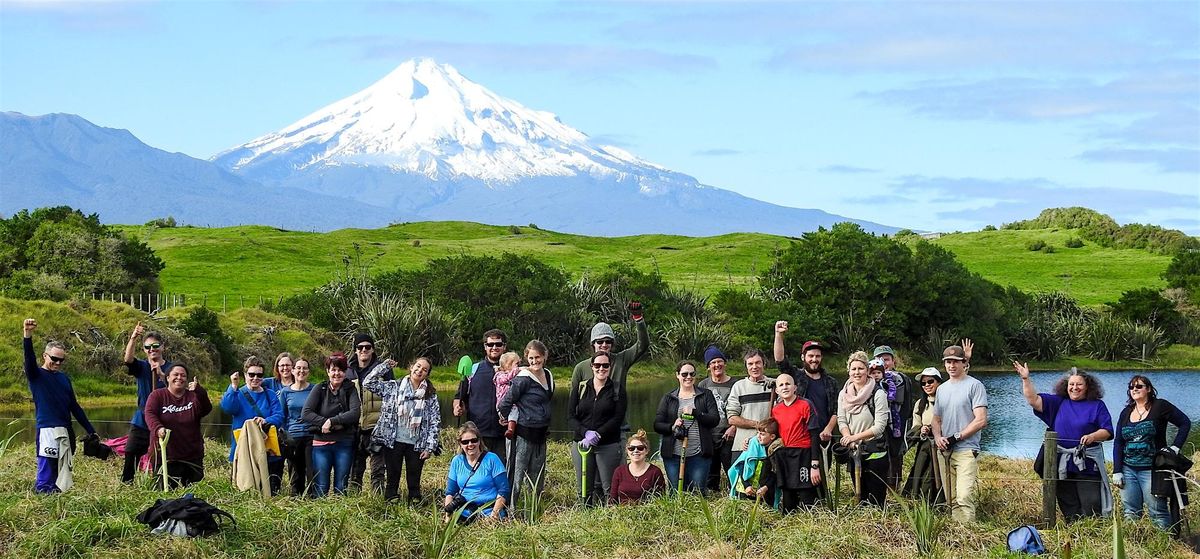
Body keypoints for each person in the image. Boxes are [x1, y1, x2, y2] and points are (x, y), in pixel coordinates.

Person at [1017, 362, 1114, 521]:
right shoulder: (1058, 402)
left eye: (1079, 384)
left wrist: (1093, 436)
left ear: (1088, 387)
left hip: (1087, 463)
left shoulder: (1097, 405)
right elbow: (1033, 400)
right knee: (1068, 503)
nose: (1075, 388)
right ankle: (1073, 530)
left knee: (1091, 502)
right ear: (1066, 386)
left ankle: (1092, 533)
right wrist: (1026, 379)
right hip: (1061, 463)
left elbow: (1108, 431)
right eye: (1072, 384)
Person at [21, 318, 97, 493]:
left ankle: (57, 499)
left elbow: (74, 406)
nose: (57, 363)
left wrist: (90, 429)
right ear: (45, 356)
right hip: (48, 429)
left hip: (66, 429)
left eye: (61, 360)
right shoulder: (36, 375)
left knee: (62, 470)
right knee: (46, 469)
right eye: (54, 359)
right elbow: (29, 359)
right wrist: (28, 335)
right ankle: (43, 499)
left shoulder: (64, 378)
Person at [1114, 374, 1191, 530]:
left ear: (1148, 389)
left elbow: (1184, 423)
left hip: (1152, 470)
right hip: (1128, 469)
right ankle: (1134, 545)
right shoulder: (1126, 412)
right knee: (1130, 511)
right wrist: (1117, 470)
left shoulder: (1160, 406)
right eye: (1131, 387)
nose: (1134, 389)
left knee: (1158, 511)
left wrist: (1175, 447)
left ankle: (1165, 544)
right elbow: (1118, 442)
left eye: (1139, 386)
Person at [363, 357, 442, 503]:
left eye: (425, 370)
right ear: (411, 367)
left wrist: (430, 447)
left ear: (427, 374)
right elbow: (368, 382)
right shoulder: (394, 387)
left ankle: (415, 502)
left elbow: (435, 421)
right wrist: (384, 367)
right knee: (393, 475)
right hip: (393, 440)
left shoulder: (429, 394)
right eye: (418, 366)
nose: (420, 371)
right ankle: (391, 500)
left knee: (414, 476)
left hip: (417, 442)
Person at [774, 322, 838, 500]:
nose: (814, 359)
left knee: (822, 472)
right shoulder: (796, 376)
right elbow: (780, 360)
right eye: (810, 356)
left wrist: (828, 429)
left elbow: (835, 410)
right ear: (803, 357)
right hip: (798, 438)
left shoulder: (831, 382)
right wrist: (779, 335)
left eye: (817, 356)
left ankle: (821, 504)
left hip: (822, 436)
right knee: (798, 476)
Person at [932, 345, 988, 523]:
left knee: (964, 496)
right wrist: (938, 437)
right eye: (948, 362)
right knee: (951, 497)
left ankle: (968, 534)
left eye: (956, 362)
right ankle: (958, 536)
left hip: (966, 449)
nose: (951, 366)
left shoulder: (975, 386)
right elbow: (936, 419)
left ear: (964, 363)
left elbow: (981, 420)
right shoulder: (941, 389)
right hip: (945, 451)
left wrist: (957, 436)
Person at [498, 340, 555, 510]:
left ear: (544, 357)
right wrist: (509, 419)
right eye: (531, 358)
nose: (534, 361)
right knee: (516, 475)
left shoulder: (548, 375)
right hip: (522, 434)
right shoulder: (523, 378)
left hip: (540, 434)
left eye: (537, 357)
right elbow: (504, 403)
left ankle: (534, 510)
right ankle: (512, 511)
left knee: (537, 476)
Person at [568, 351, 628, 505]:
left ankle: (609, 521)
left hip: (608, 444)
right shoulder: (581, 388)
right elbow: (570, 417)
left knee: (609, 488)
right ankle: (585, 518)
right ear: (592, 366)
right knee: (584, 489)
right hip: (582, 445)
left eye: (605, 365)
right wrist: (585, 433)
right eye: (597, 365)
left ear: (610, 366)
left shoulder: (617, 389)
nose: (601, 368)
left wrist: (598, 433)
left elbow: (617, 418)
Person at [222, 355, 285, 495]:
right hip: (242, 448)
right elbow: (227, 408)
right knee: (244, 490)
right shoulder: (237, 393)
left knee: (270, 489)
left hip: (267, 450)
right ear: (245, 375)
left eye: (259, 375)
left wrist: (266, 420)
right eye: (251, 374)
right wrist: (233, 386)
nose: (255, 378)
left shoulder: (270, 395)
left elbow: (279, 416)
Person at [654, 360, 719, 494]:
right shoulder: (668, 398)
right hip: (673, 455)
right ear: (677, 375)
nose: (688, 377)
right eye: (684, 374)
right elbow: (657, 424)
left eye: (692, 374)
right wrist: (672, 426)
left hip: (699, 454)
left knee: (698, 493)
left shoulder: (706, 395)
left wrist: (695, 413)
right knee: (676, 492)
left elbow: (714, 420)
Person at [144, 364, 212, 488]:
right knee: (165, 497)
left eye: (183, 375)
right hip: (165, 456)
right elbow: (149, 414)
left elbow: (206, 409)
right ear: (168, 377)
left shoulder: (193, 396)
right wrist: (158, 428)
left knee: (193, 496)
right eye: (176, 374)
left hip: (192, 455)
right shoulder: (157, 396)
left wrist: (200, 391)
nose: (179, 378)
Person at [303, 353, 362, 496]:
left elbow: (355, 412)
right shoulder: (320, 388)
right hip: (321, 444)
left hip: (344, 443)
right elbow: (306, 413)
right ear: (327, 371)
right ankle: (320, 515)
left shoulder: (350, 389)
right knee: (321, 486)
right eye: (333, 370)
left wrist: (331, 421)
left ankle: (340, 515)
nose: (337, 373)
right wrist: (323, 422)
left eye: (340, 370)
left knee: (341, 486)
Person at [837, 351, 890, 507]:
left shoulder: (878, 394)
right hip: (855, 452)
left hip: (875, 451)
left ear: (867, 370)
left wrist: (855, 438)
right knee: (861, 497)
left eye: (860, 368)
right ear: (849, 371)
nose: (857, 372)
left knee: (876, 500)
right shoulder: (843, 394)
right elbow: (842, 420)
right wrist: (848, 438)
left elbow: (880, 426)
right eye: (853, 369)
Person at [120, 321, 170, 483]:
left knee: (161, 457)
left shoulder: (172, 368)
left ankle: (159, 485)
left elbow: (178, 390)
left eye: (155, 346)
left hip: (163, 419)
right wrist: (133, 338)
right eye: (148, 347)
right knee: (131, 452)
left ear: (162, 347)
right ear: (144, 350)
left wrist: (161, 374)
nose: (152, 350)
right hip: (142, 418)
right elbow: (128, 360)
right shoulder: (141, 367)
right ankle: (126, 486)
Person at [770, 373, 822, 512]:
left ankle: (814, 525)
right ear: (777, 391)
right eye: (781, 385)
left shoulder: (805, 404)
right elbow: (772, 434)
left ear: (795, 387)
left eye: (788, 384)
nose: (785, 387)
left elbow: (814, 434)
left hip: (804, 454)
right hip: (785, 455)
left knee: (807, 499)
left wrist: (814, 464)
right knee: (788, 501)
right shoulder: (775, 410)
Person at [454, 329, 510, 457]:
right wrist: (457, 408)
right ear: (485, 347)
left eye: (498, 344)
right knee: (477, 473)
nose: (494, 347)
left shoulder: (512, 371)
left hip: (504, 433)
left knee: (500, 473)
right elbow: (459, 397)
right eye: (490, 344)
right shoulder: (473, 369)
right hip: (477, 434)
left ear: (504, 347)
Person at [568, 301, 649, 389]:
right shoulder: (580, 368)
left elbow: (642, 345)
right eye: (600, 342)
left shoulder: (622, 360)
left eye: (608, 341)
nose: (604, 344)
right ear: (593, 344)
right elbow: (573, 398)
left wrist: (638, 318)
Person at [444, 422, 509, 524]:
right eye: (465, 442)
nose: (470, 444)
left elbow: (503, 490)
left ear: (479, 441)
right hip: (464, 512)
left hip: (489, 511)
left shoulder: (492, 459)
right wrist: (448, 517)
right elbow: (450, 492)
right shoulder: (456, 461)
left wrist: (494, 516)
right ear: (460, 444)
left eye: (474, 440)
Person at [345, 333, 386, 494]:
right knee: (355, 469)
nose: (364, 350)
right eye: (360, 347)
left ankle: (378, 502)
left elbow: (392, 399)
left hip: (376, 428)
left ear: (373, 349)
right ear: (355, 350)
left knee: (377, 470)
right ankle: (354, 502)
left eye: (367, 347)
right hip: (354, 428)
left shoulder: (382, 371)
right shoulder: (347, 371)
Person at [901, 367, 947, 504]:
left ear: (939, 382)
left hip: (943, 445)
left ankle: (941, 501)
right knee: (920, 471)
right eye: (923, 383)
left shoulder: (947, 400)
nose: (927, 385)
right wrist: (922, 431)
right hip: (925, 445)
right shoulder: (920, 404)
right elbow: (916, 426)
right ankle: (921, 500)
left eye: (930, 381)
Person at [697, 345, 739, 494]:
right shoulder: (703, 385)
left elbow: (743, 409)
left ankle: (734, 494)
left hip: (730, 434)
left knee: (732, 468)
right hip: (709, 435)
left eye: (719, 361)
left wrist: (734, 427)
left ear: (725, 363)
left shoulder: (735, 384)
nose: (717, 365)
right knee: (711, 471)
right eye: (712, 363)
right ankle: (712, 497)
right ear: (708, 367)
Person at [871, 345, 912, 490]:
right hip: (876, 427)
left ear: (893, 361)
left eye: (886, 359)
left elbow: (905, 406)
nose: (884, 363)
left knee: (895, 459)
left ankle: (894, 491)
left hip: (896, 426)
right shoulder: (870, 380)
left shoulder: (902, 379)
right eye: (879, 359)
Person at [727, 348, 775, 465]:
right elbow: (732, 418)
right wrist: (758, 425)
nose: (754, 367)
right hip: (743, 446)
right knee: (740, 482)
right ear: (746, 366)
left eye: (758, 362)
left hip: (769, 447)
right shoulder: (738, 387)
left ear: (764, 363)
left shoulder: (775, 385)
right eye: (750, 364)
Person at [279, 357, 315, 496]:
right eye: (298, 368)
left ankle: (313, 501)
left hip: (311, 436)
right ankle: (296, 501)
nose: (301, 371)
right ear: (293, 371)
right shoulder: (285, 392)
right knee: (295, 473)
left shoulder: (315, 389)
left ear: (308, 371)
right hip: (293, 437)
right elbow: (282, 416)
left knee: (312, 472)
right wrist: (284, 437)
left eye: (304, 368)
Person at [609, 429, 666, 504]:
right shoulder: (619, 471)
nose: (635, 451)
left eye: (640, 448)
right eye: (631, 448)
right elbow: (613, 500)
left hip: (648, 513)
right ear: (627, 451)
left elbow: (660, 500)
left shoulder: (655, 472)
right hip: (622, 513)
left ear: (647, 450)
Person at [492, 351, 522, 444]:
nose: (518, 366)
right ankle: (510, 430)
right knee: (514, 411)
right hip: (503, 404)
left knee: (515, 412)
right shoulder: (499, 375)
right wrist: (519, 370)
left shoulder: (515, 377)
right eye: (516, 364)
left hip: (511, 404)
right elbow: (508, 377)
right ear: (508, 365)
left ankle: (511, 429)